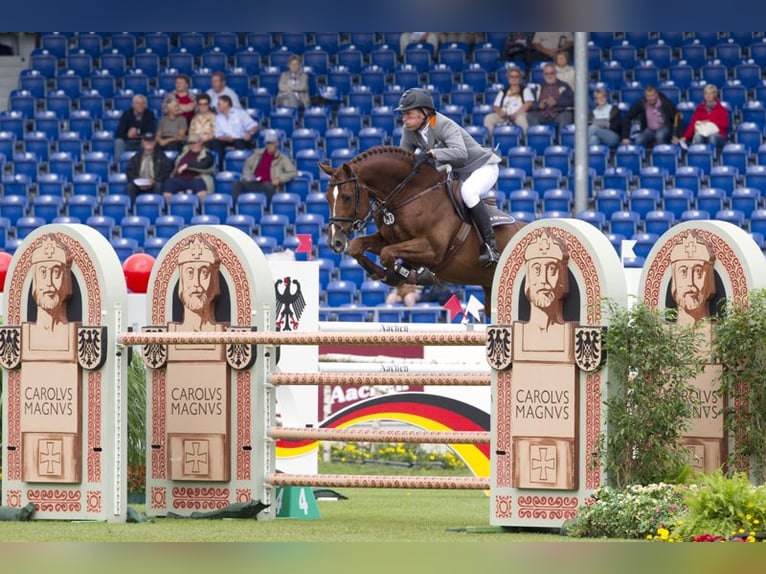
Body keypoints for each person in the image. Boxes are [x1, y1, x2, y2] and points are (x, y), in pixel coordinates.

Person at [396, 87, 502, 267]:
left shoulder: (442, 124)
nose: (405, 119)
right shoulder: (409, 131)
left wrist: (431, 154)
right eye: (403, 115)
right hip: (458, 173)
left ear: (424, 112)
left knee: (469, 192)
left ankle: (491, 246)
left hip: (483, 167)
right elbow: (403, 161)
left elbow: (460, 152)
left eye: (409, 114)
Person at [523, 231, 569, 337]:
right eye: (536, 269)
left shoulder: (571, 333)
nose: (543, 280)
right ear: (528, 277)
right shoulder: (513, 334)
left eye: (552, 269)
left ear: (561, 278)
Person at [29, 234, 73, 342]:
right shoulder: (23, 335)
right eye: (43, 272)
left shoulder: (73, 334)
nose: (49, 282)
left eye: (56, 272)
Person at [231, 132, 297, 201]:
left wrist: (280, 179)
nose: (269, 145)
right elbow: (247, 165)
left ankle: (268, 209)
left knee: (268, 186)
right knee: (237, 183)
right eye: (268, 143)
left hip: (268, 183)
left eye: (271, 143)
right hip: (254, 182)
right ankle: (236, 207)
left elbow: (292, 172)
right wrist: (247, 175)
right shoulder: (258, 154)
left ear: (277, 144)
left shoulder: (282, 158)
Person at [669, 231, 716, 327]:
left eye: (698, 271)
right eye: (683, 272)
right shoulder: (662, 335)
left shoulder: (722, 334)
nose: (690, 282)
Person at [176, 236, 222, 332]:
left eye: (204, 273)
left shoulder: (229, 334)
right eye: (190, 273)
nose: (196, 283)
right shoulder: (165, 335)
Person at [210, 94, 259, 171]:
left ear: (226, 103)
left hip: (240, 139)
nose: (217, 105)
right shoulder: (218, 118)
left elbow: (254, 126)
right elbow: (217, 134)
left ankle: (242, 168)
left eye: (219, 103)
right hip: (226, 139)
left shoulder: (240, 113)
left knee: (239, 142)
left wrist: (249, 133)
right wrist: (225, 138)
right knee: (215, 142)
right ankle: (220, 168)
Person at [162, 134, 216, 203]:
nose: (192, 145)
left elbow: (205, 165)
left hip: (197, 178)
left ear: (200, 142)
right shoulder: (184, 152)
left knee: (202, 193)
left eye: (194, 143)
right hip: (179, 178)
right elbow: (174, 164)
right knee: (168, 186)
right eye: (190, 143)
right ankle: (169, 210)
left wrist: (188, 166)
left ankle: (201, 210)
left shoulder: (206, 153)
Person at [483, 66, 534, 136]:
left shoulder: (525, 90)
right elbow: (496, 106)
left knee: (521, 120)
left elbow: (528, 103)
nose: (514, 79)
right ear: (508, 78)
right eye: (511, 76)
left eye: (516, 76)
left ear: (520, 78)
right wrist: (500, 112)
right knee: (489, 118)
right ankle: (490, 141)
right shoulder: (503, 91)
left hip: (519, 114)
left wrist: (516, 114)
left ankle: (525, 140)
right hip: (504, 115)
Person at [125, 132, 174, 201]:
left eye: (151, 141)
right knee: (130, 187)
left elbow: (166, 172)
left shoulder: (162, 156)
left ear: (155, 142)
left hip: (155, 182)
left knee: (158, 185)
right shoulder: (136, 157)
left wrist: (155, 180)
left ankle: (158, 208)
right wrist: (137, 181)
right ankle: (131, 209)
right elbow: (129, 172)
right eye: (146, 141)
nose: (149, 143)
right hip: (139, 183)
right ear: (142, 142)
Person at [678, 83, 729, 151]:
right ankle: (698, 157)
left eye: (710, 93)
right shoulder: (700, 109)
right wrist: (685, 137)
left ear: (715, 95)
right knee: (697, 136)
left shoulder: (721, 109)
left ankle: (712, 157)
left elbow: (725, 124)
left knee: (712, 137)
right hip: (703, 134)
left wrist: (710, 121)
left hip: (718, 135)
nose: (708, 95)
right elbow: (693, 124)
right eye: (706, 93)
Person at [527, 62, 574, 128]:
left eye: (551, 73)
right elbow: (531, 103)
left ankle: (561, 137)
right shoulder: (537, 87)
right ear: (543, 74)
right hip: (542, 113)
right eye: (547, 73)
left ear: (555, 73)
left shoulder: (564, 85)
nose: (549, 76)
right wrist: (539, 105)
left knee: (567, 115)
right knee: (531, 116)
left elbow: (571, 101)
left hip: (559, 113)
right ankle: (540, 137)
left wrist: (556, 102)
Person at [114, 94, 156, 166]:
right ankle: (118, 165)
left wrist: (138, 132)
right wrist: (128, 135)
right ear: (133, 105)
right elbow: (119, 133)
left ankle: (145, 165)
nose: (141, 105)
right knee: (118, 142)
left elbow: (150, 132)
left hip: (141, 142)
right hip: (127, 142)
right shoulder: (126, 114)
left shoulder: (149, 114)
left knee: (148, 142)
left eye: (143, 103)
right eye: (138, 103)